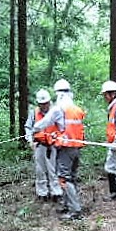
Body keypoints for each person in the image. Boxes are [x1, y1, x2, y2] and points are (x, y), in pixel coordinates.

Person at [33, 79, 85, 220]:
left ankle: (75, 210)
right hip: (77, 148)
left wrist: (34, 129)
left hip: (65, 149)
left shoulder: (59, 108)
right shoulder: (77, 109)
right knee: (71, 178)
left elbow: (45, 122)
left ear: (59, 94)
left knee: (63, 178)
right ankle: (68, 205)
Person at [25, 89, 63, 202]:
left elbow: (62, 127)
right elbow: (28, 127)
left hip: (53, 145)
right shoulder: (34, 112)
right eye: (41, 104)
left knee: (53, 170)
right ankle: (42, 193)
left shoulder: (56, 111)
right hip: (39, 145)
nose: (44, 106)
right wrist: (30, 140)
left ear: (49, 102)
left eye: (46, 103)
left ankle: (56, 192)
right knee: (40, 170)